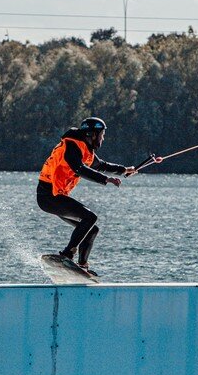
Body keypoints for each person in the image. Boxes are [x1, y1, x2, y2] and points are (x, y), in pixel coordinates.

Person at [36, 117, 145, 277]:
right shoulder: (71, 146)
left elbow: (101, 165)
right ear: (92, 135)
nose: (103, 138)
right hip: (48, 196)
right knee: (90, 217)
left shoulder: (84, 149)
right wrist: (105, 179)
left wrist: (124, 170)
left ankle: (82, 266)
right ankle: (66, 255)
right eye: (101, 135)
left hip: (56, 197)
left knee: (92, 229)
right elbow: (78, 168)